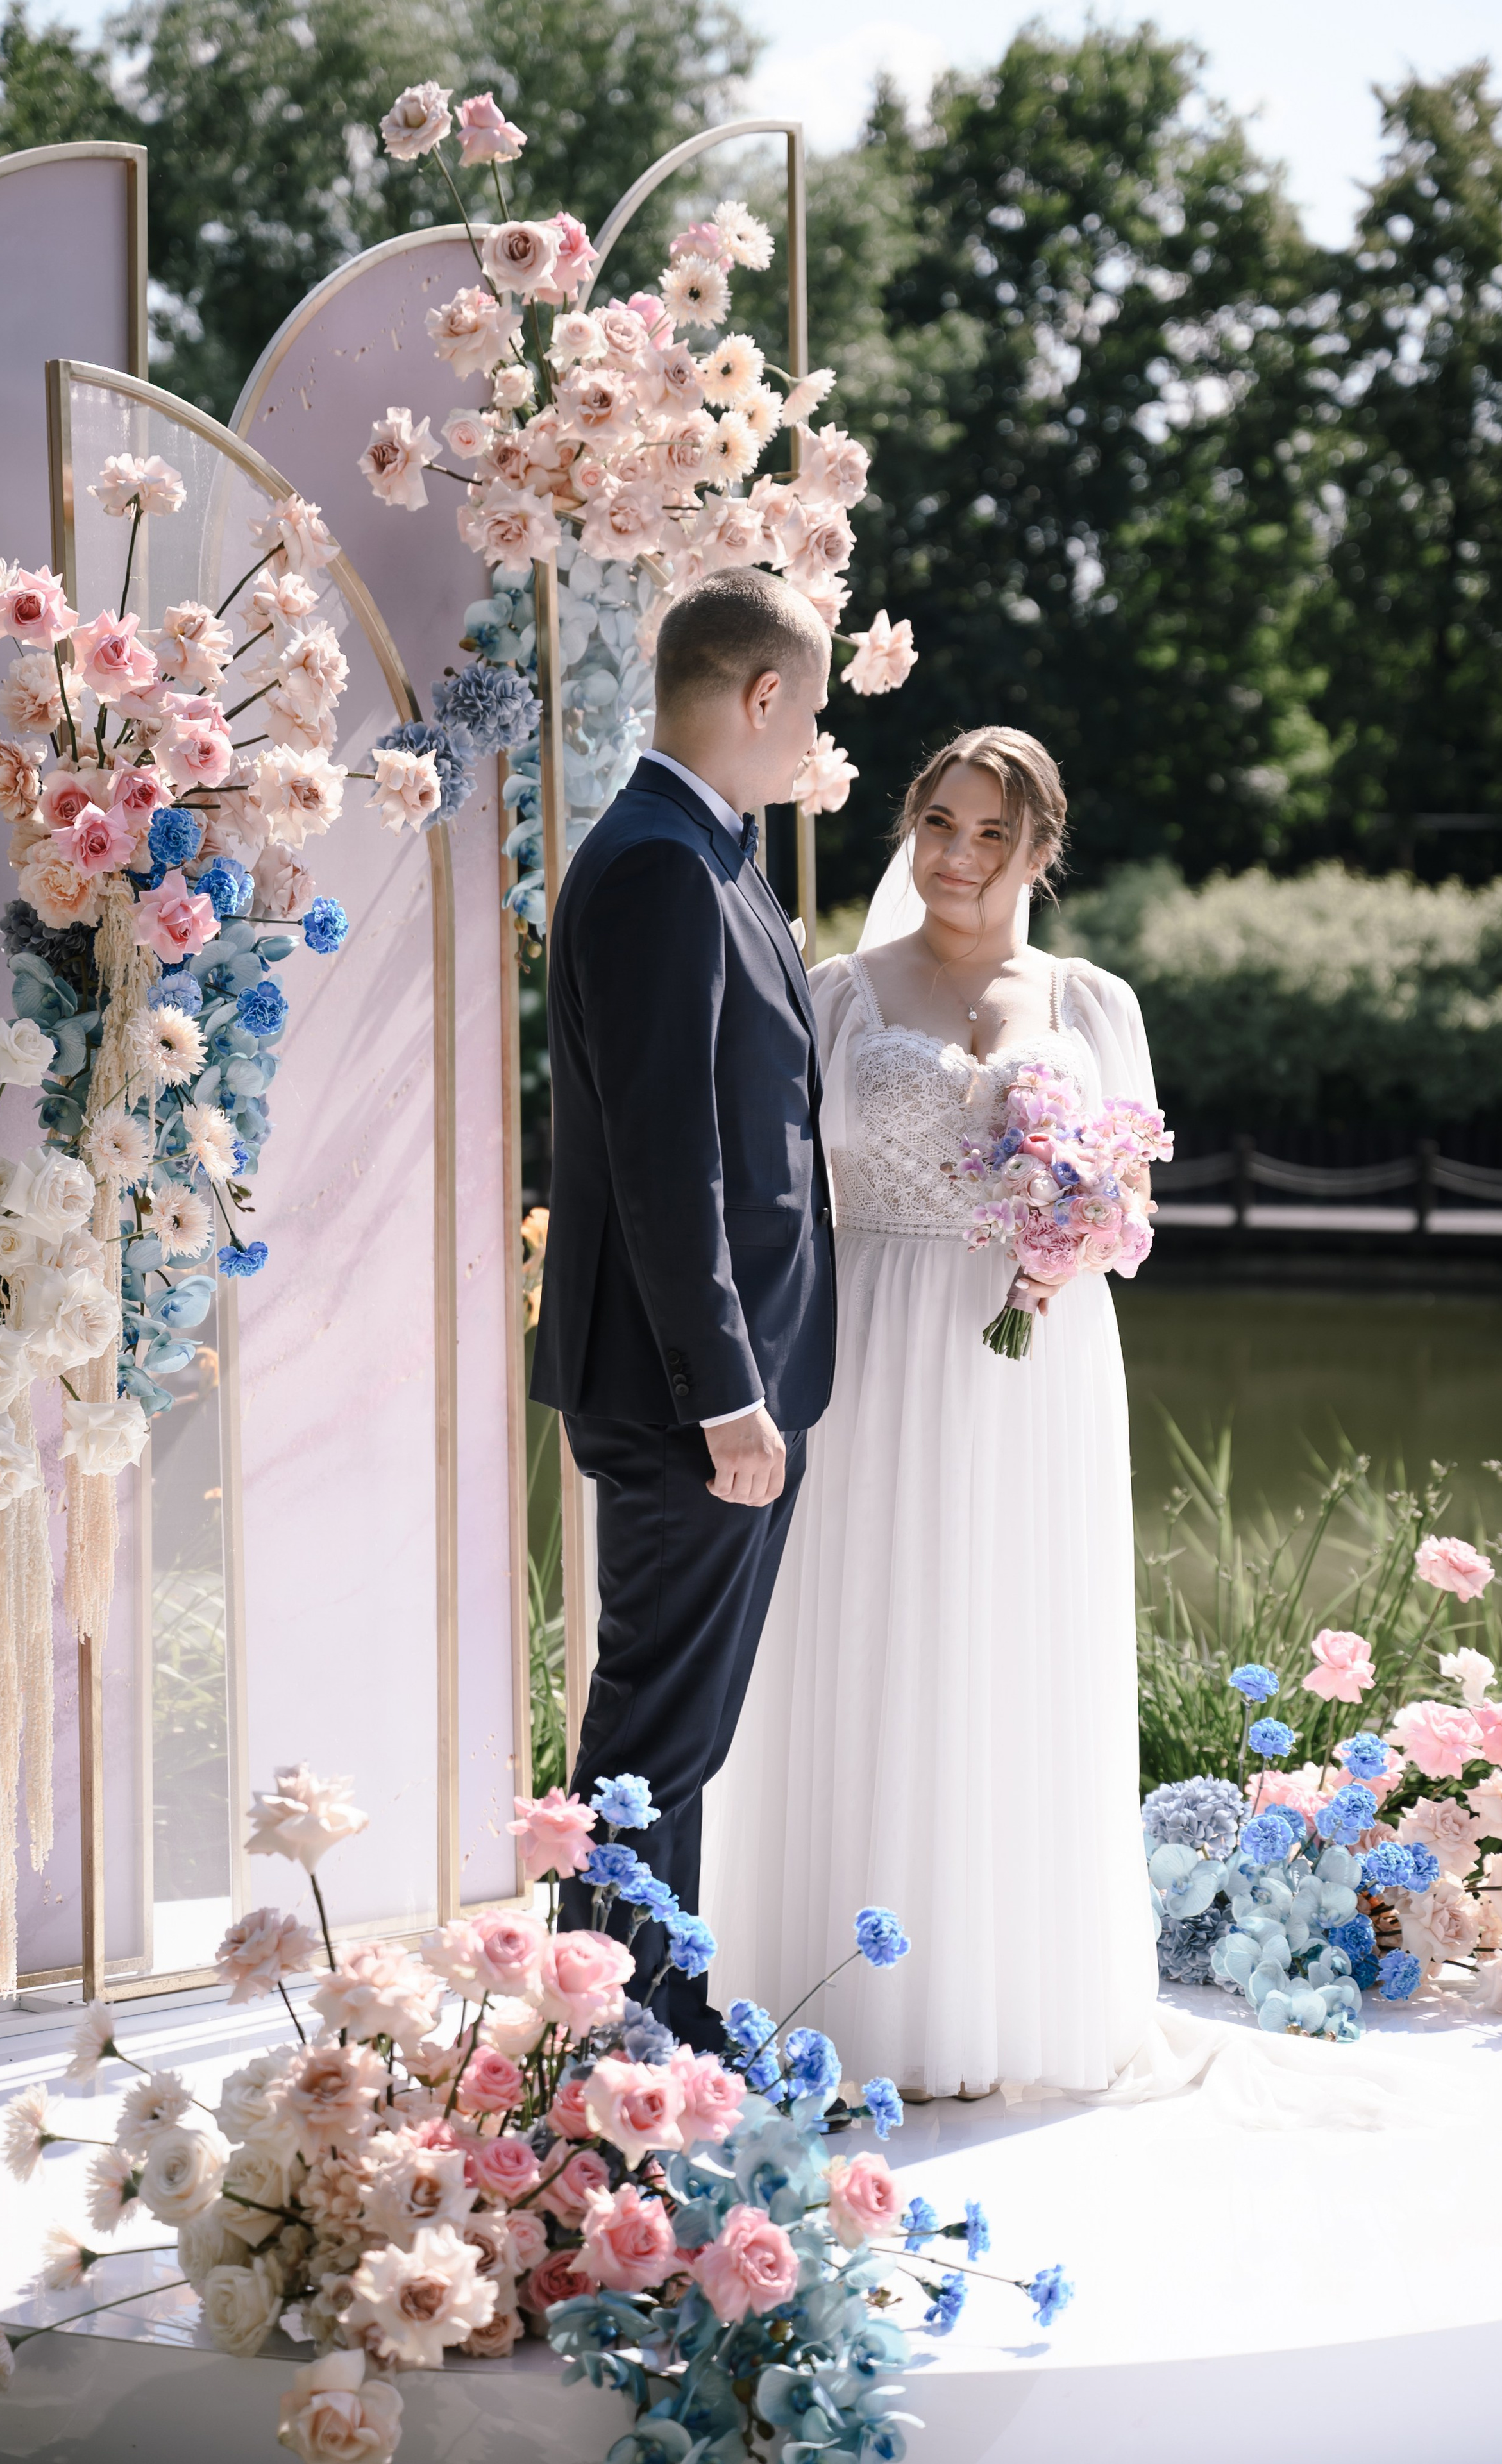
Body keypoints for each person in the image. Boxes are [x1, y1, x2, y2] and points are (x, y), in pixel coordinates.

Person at [703, 725, 1160, 2100]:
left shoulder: (1090, 1003)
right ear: (909, 827)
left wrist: (1073, 1233)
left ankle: (1008, 1996)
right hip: (872, 1345)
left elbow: (1135, 1192)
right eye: (939, 824)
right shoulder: (837, 993)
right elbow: (764, 1186)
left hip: (1037, 1357)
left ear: (1038, 852)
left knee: (1011, 1640)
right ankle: (848, 1991)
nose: (958, 857)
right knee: (871, 1633)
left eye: (991, 835)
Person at [531, 567, 838, 2052]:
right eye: (810, 709)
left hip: (727, 1375)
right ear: (760, 694)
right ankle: (602, 2054)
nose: (811, 741)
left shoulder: (707, 850)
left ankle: (661, 2023)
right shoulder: (658, 862)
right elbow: (666, 1160)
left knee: (676, 1736)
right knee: (650, 1734)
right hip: (680, 1390)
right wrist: (725, 1391)